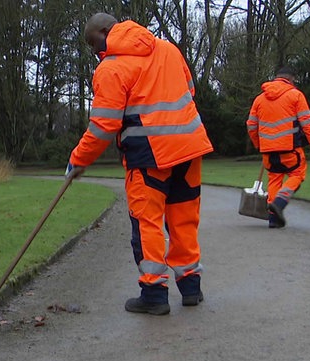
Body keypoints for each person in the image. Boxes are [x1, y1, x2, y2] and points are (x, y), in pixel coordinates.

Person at [65, 13, 214, 315]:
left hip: (148, 156)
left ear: (106, 31)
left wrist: (78, 160)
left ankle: (154, 294)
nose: (96, 52)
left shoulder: (111, 68)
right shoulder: (169, 50)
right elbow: (189, 90)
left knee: (148, 224)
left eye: (95, 44)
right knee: (183, 220)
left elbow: (103, 126)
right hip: (188, 147)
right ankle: (191, 287)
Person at [246, 66, 310, 228]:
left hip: (268, 151)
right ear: (291, 79)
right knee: (297, 174)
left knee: (274, 179)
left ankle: (274, 219)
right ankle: (280, 203)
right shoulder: (295, 95)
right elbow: (307, 122)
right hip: (290, 149)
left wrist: (259, 144)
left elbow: (251, 125)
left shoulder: (259, 99)